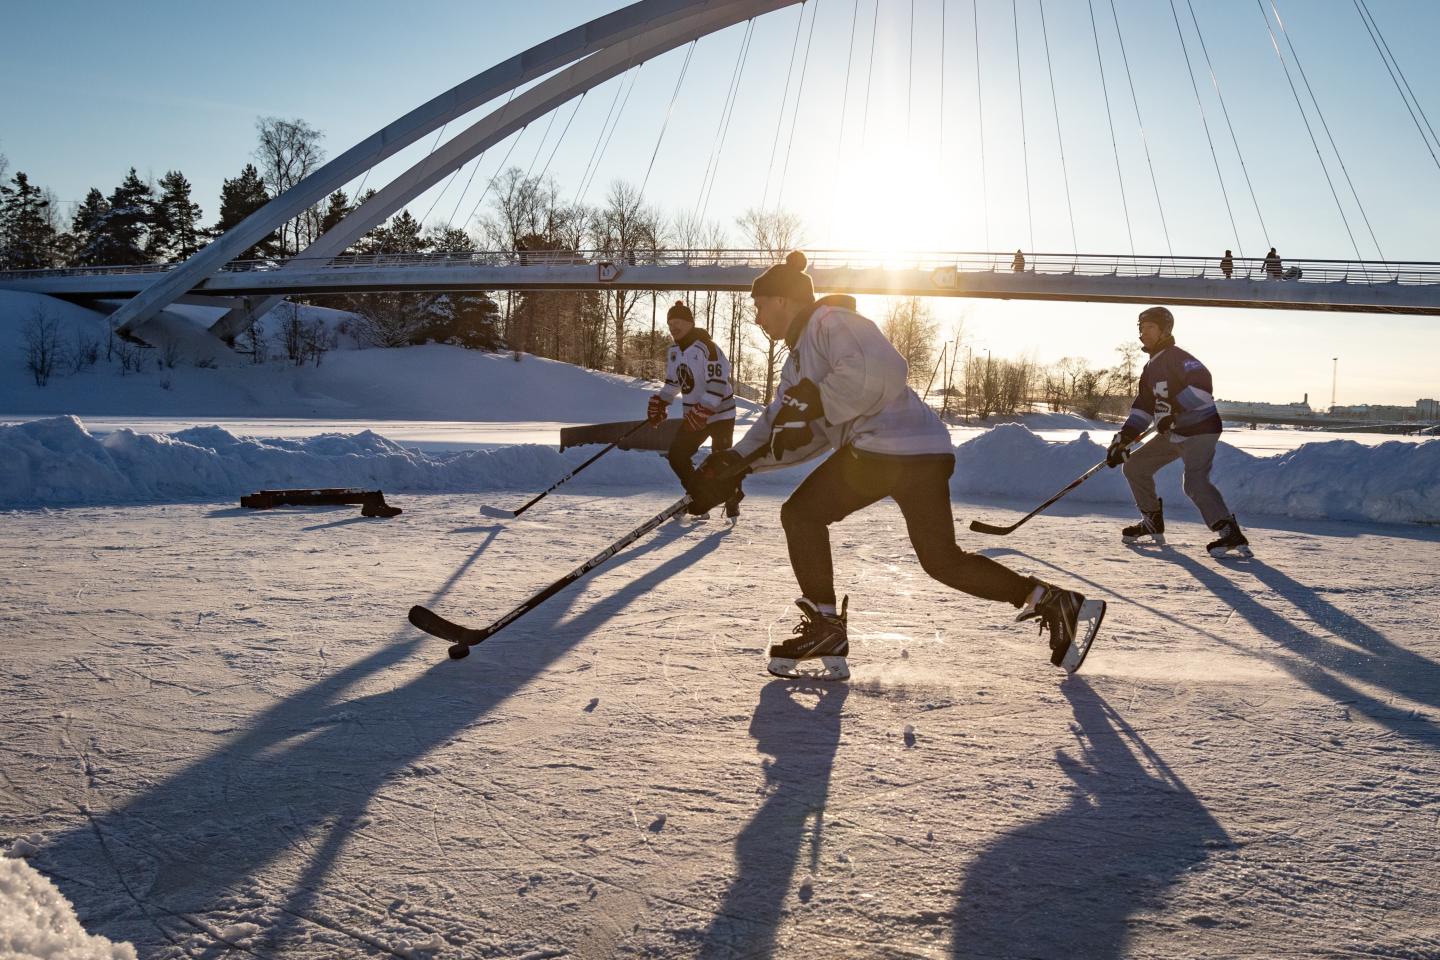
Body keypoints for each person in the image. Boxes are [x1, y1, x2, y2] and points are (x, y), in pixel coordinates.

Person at [685, 252, 1105, 681]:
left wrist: (815, 403)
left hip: (886, 450)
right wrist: (735, 465)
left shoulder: (832, 321)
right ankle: (1051, 600)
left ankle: (827, 626)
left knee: (802, 514)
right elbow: (787, 427)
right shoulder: (797, 363)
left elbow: (881, 371)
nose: (756, 316)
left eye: (759, 305)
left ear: (782, 299)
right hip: (918, 451)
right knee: (942, 560)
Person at [1105, 306, 1251, 558]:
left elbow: (1202, 387)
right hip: (1173, 431)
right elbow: (1144, 407)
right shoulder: (1150, 368)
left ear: (1165, 330)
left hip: (1200, 428)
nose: (1144, 332)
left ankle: (1229, 532)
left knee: (1193, 482)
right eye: (1141, 327)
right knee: (1135, 467)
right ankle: (1152, 521)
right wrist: (1125, 438)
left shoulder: (1178, 358)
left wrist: (1174, 410)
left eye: (1150, 327)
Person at [647, 300, 742, 521]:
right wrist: (662, 402)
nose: (673, 327)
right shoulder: (673, 351)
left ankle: (732, 496)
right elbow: (673, 383)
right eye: (670, 323)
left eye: (678, 322)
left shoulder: (707, 347)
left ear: (689, 323)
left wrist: (703, 410)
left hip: (721, 415)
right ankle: (699, 498)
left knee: (721, 463)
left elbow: (717, 384)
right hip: (694, 417)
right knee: (677, 456)